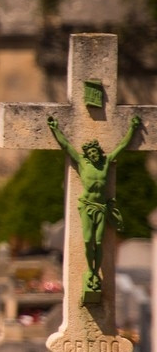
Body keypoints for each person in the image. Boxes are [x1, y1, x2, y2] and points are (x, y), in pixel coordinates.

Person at [47, 111, 143, 301]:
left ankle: (94, 272)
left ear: (98, 152)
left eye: (95, 151)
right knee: (87, 240)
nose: (93, 154)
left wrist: (132, 128)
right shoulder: (83, 164)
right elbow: (66, 146)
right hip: (87, 205)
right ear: (87, 154)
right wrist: (55, 129)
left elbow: (122, 146)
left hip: (101, 207)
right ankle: (90, 271)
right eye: (90, 152)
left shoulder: (105, 163)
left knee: (99, 242)